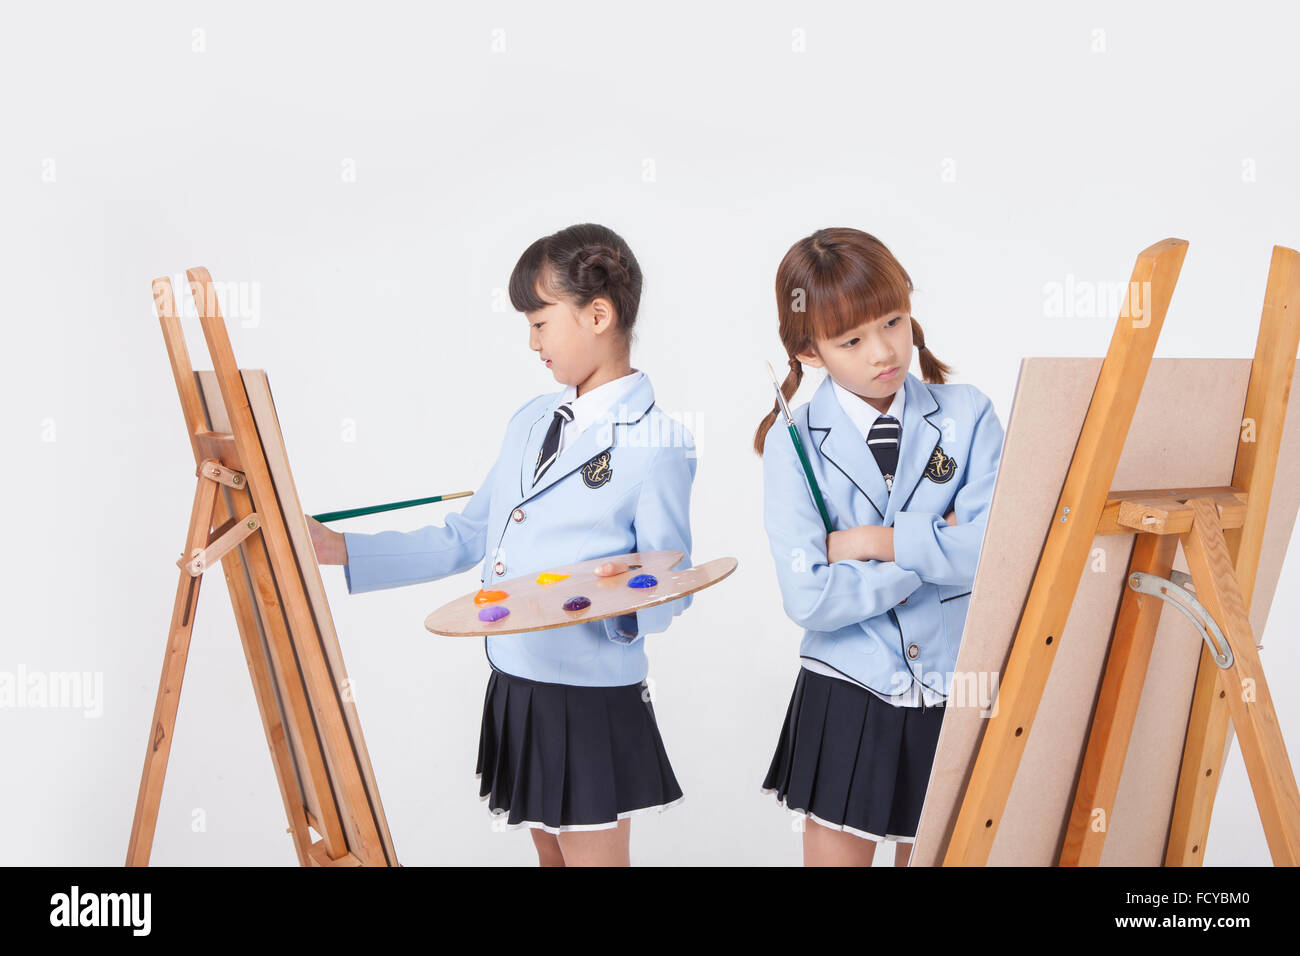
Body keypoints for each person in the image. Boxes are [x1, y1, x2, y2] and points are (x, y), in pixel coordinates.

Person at [755, 227, 1004, 866]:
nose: (884, 351)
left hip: (952, 685)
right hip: (847, 686)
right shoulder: (794, 443)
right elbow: (809, 596)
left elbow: (995, 554)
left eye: (893, 320)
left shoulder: (969, 414)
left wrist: (873, 543)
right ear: (810, 351)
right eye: (852, 340)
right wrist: (932, 549)